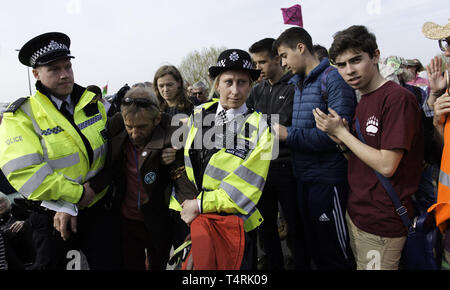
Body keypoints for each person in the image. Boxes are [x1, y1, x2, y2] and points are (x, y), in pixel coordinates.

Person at [0, 32, 119, 269]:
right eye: (54, 69)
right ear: (36, 74)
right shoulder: (21, 116)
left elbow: (112, 157)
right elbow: (25, 173)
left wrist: (89, 192)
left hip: (98, 210)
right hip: (51, 218)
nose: (65, 74)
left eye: (68, 66)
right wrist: (73, 198)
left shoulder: (92, 105)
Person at [313, 25, 424, 270]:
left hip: (383, 223)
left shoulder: (397, 99)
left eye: (356, 60)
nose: (349, 71)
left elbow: (386, 164)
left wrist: (342, 132)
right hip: (358, 215)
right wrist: (342, 143)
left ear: (375, 56)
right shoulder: (363, 97)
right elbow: (364, 159)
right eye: (341, 65)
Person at [169, 49, 273, 269]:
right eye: (228, 82)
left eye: (242, 82)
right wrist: (190, 205)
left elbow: (249, 187)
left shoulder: (263, 127)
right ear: (216, 85)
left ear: (251, 85)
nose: (235, 90)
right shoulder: (198, 114)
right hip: (193, 217)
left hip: (235, 225)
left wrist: (199, 204)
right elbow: (183, 163)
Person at [273, 27, 356, 270]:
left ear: (301, 47)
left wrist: (288, 134)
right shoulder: (298, 84)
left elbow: (338, 137)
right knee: (316, 250)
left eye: (285, 56)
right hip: (304, 179)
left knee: (335, 252)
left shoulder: (333, 79)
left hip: (328, 181)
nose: (284, 63)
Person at [90, 86, 177, 269]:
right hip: (126, 221)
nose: (134, 134)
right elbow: (106, 168)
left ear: (157, 119)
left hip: (158, 222)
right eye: (129, 127)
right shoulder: (114, 130)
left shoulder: (174, 137)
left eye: (142, 127)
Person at [247, 37, 303, 270]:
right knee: (265, 225)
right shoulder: (257, 90)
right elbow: (245, 121)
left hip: (286, 168)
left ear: (278, 59)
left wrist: (258, 125)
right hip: (259, 170)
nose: (257, 67)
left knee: (294, 224)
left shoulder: (294, 86)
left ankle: (299, 262)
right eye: (254, 62)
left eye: (262, 62)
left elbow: (283, 124)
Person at [422, 18, 450, 268]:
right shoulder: (445, 93)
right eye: (446, 42)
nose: (448, 50)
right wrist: (437, 122)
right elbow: (439, 155)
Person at [0, 193, 35, 269]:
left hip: (35, 256)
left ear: (7, 201)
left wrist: (25, 223)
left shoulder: (21, 209)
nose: (0, 206)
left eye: (1, 202)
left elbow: (38, 220)